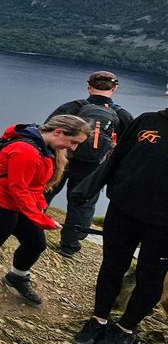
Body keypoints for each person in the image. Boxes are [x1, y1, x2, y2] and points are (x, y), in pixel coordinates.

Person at [0, 114, 89, 310]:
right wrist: (42, 219)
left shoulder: (44, 148)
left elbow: (35, 186)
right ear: (58, 132)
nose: (73, 148)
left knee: (36, 244)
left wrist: (40, 210)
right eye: (73, 142)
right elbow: (18, 189)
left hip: (17, 202)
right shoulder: (25, 150)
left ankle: (17, 276)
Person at [71, 107, 168, 344]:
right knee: (112, 265)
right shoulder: (148, 121)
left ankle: (126, 329)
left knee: (151, 277)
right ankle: (99, 319)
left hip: (164, 225)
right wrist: (87, 188)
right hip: (123, 209)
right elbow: (117, 156)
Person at [45, 71, 132, 258]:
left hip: (63, 160)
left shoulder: (73, 107)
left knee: (46, 191)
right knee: (83, 204)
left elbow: (47, 130)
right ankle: (69, 246)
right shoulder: (122, 115)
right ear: (114, 88)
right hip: (94, 168)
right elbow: (129, 146)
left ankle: (29, 226)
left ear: (89, 87)